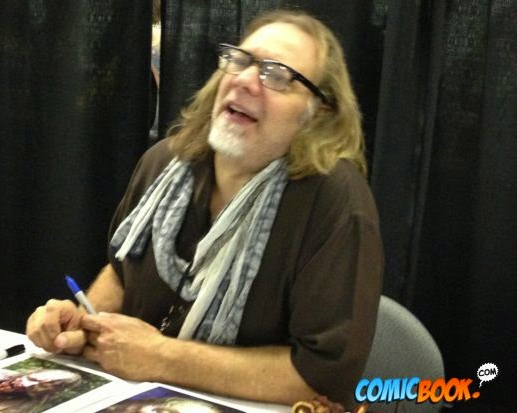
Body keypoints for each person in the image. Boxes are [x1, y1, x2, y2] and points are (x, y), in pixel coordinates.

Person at [26, 9, 383, 409]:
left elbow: (320, 378)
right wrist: (82, 322)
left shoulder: (334, 201)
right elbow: (125, 273)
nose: (245, 80)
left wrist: (162, 358)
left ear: (319, 111)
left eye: (277, 74)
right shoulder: (164, 162)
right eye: (241, 60)